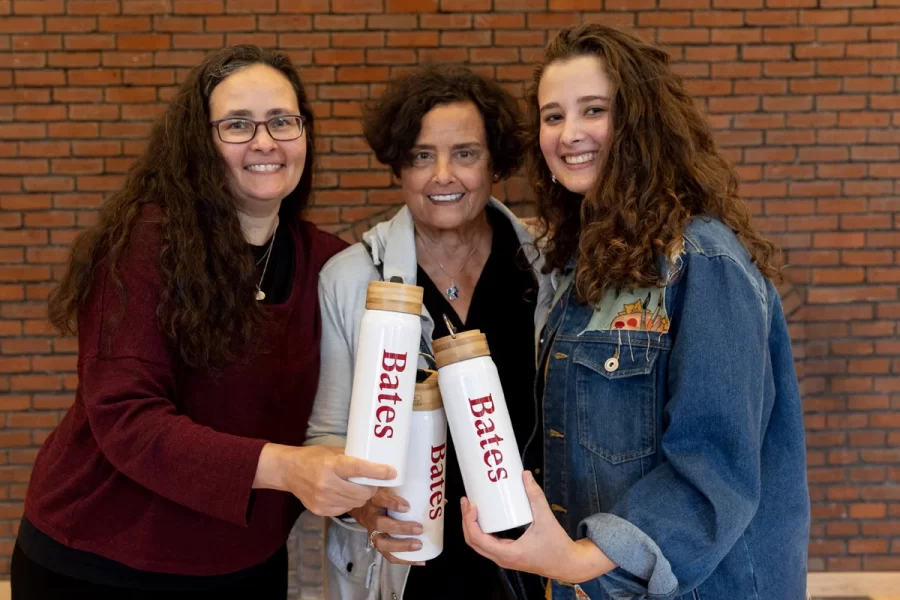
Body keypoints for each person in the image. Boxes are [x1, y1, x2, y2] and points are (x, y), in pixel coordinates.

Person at [12, 45, 394, 600]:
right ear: (200, 141)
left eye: (282, 121)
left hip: (245, 563)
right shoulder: (143, 247)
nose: (265, 142)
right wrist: (288, 469)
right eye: (238, 125)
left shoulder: (329, 266)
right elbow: (128, 419)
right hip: (103, 560)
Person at [460, 23, 811, 600]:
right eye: (553, 116)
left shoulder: (703, 259)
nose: (569, 133)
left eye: (593, 110)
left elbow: (713, 467)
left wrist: (579, 560)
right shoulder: (585, 265)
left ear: (639, 125)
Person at [305, 64, 549, 600]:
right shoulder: (351, 278)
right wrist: (363, 504)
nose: (443, 175)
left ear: (494, 163)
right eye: (421, 156)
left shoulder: (547, 265)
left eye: (465, 153)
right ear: (399, 166)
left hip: (537, 555)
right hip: (407, 562)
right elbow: (325, 434)